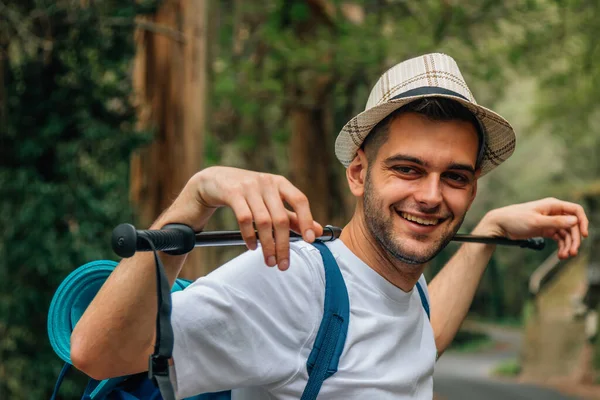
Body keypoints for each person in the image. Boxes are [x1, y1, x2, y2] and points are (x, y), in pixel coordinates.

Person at [71, 53, 589, 399]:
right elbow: (100, 355)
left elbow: (422, 341)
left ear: (472, 189)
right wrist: (196, 196)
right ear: (360, 173)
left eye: (453, 176)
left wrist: (492, 232)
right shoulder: (291, 279)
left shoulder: (406, 282)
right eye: (407, 169)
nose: (431, 196)